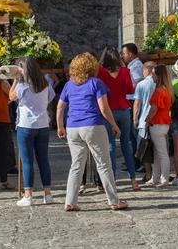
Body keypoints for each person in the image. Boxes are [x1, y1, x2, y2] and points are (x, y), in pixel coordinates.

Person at [57, 52, 128, 211]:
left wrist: (60, 126)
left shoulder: (69, 85)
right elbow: (104, 108)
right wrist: (114, 125)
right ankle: (114, 201)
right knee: (104, 164)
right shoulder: (96, 83)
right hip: (93, 126)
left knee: (76, 165)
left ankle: (70, 201)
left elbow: (60, 107)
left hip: (73, 127)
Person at [9, 57, 55, 206]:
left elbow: (11, 96)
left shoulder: (22, 86)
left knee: (27, 161)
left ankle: (28, 194)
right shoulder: (45, 84)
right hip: (42, 124)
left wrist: (16, 80)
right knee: (43, 160)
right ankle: (47, 193)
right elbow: (49, 99)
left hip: (26, 124)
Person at [97, 47, 139, 191]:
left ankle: (112, 181)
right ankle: (133, 181)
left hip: (109, 110)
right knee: (126, 146)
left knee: (110, 147)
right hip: (123, 109)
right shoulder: (125, 71)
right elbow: (130, 90)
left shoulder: (101, 72)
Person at [144, 64, 174, 187]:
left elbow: (153, 109)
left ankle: (163, 179)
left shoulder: (159, 91)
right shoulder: (167, 90)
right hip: (163, 122)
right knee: (158, 152)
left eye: (154, 73)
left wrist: (146, 121)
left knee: (161, 153)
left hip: (157, 123)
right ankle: (156, 177)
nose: (152, 75)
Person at [132, 61, 157, 183]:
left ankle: (148, 174)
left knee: (144, 148)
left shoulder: (141, 85)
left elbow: (137, 103)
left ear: (147, 71)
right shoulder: (160, 83)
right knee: (158, 148)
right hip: (158, 120)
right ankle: (158, 173)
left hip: (144, 119)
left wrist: (135, 118)